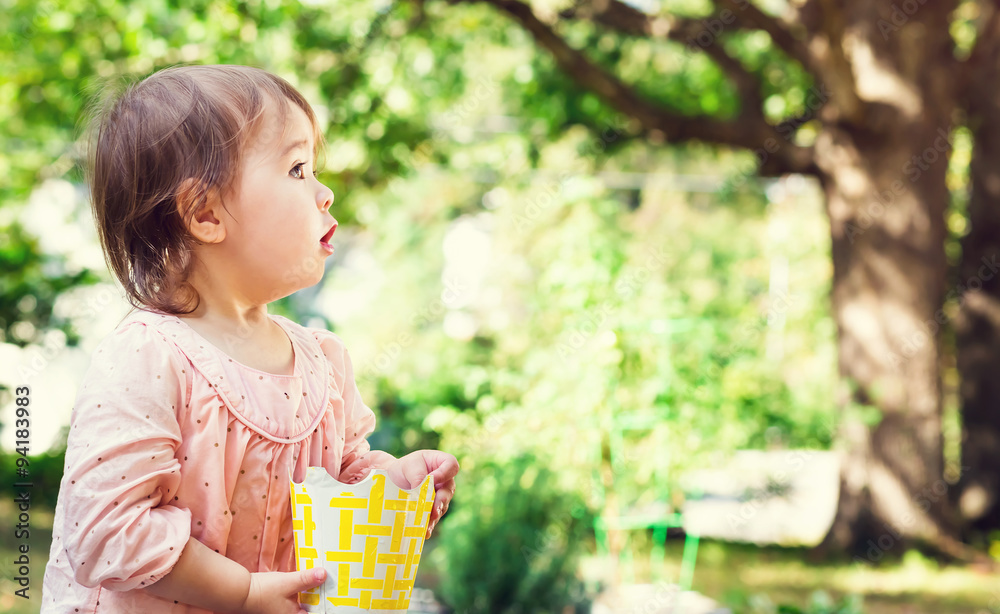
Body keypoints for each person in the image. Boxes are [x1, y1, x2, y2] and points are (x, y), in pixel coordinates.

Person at [40, 64, 460, 614]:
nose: (325, 192)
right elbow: (105, 532)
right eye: (297, 169)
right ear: (205, 213)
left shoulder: (322, 364)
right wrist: (241, 593)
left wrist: (394, 485)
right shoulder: (149, 358)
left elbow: (339, 486)